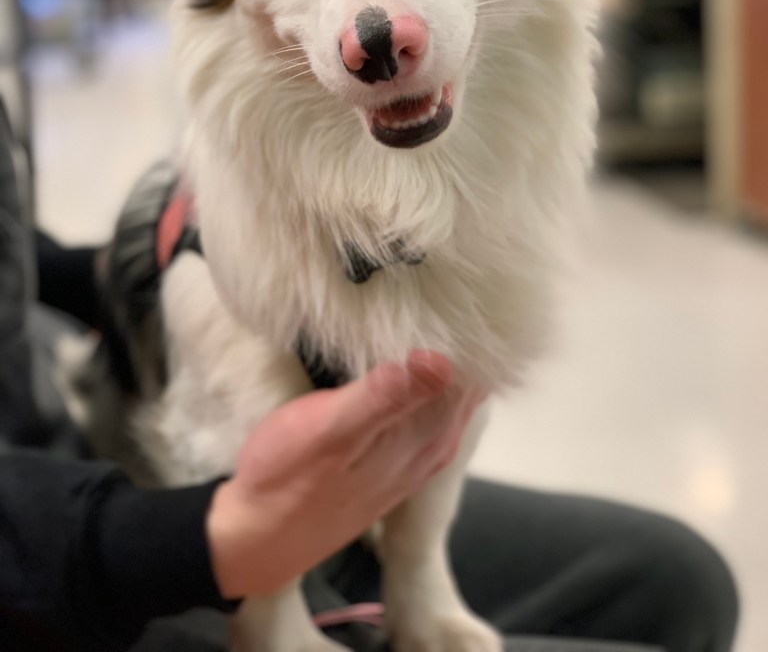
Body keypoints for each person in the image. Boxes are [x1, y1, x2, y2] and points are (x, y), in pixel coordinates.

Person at [0, 97, 739, 652]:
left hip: (68, 459)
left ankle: (409, 580)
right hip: (69, 559)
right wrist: (214, 541)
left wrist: (145, 257)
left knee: (679, 584)